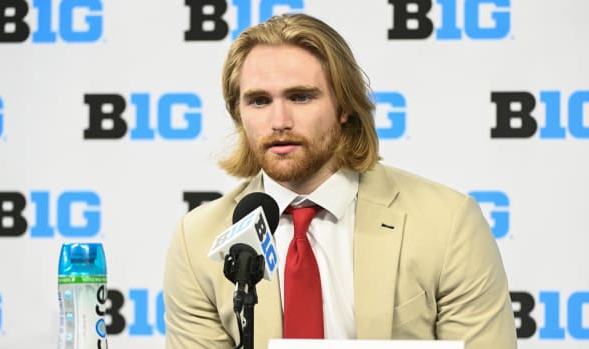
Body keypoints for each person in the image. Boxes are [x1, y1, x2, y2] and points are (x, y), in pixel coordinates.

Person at [163, 13, 517, 349]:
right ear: (239, 113)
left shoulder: (447, 224)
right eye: (258, 101)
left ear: (344, 105)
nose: (279, 121)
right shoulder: (198, 241)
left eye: (300, 97)